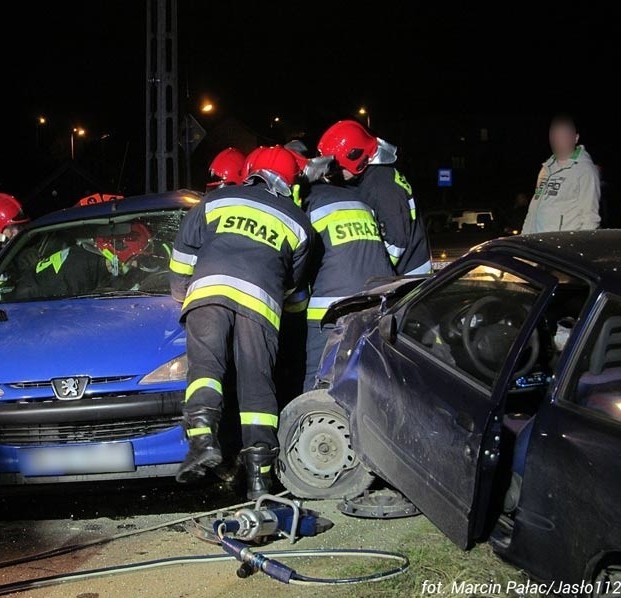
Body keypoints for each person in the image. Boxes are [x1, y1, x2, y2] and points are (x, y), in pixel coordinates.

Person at [169, 145, 316, 499]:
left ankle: (202, 442)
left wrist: (182, 296)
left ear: (250, 170)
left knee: (206, 370)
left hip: (208, 294)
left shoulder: (216, 202)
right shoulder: (299, 221)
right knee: (257, 387)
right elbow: (292, 285)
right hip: (261, 306)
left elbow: (180, 260)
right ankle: (259, 481)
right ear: (289, 182)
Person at [301, 181, 394, 391]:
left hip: (330, 307)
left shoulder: (309, 204)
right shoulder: (359, 200)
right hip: (376, 299)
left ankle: (311, 418)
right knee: (368, 375)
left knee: (318, 376)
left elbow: (301, 259)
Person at [317, 120, 431, 276]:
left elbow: (395, 243)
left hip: (406, 280)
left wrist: (367, 273)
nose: (336, 174)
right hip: (405, 273)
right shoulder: (376, 176)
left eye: (339, 168)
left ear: (357, 158)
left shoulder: (381, 185)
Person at [522, 114, 601, 234]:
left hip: (561, 248)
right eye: (554, 135)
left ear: (576, 138)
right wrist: (523, 241)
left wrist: (577, 249)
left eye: (564, 135)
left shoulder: (585, 170)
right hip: (537, 245)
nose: (558, 140)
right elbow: (533, 210)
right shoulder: (546, 169)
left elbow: (590, 218)